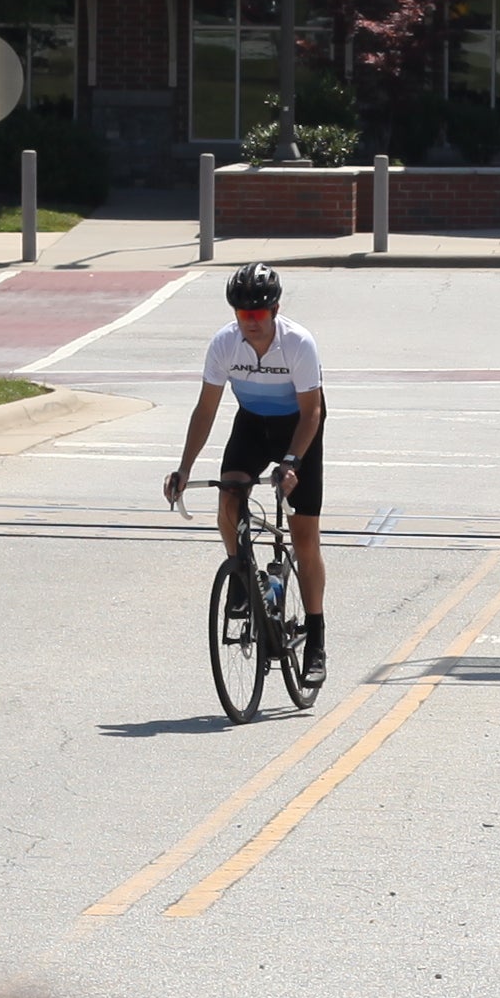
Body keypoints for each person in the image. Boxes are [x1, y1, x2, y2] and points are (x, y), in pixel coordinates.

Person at [164, 264, 329, 685]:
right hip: (253, 425)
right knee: (228, 498)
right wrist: (184, 468)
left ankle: (316, 640)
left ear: (274, 310)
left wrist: (291, 462)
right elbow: (206, 409)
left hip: (299, 428)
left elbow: (312, 411)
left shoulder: (298, 343)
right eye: (242, 315)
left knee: (305, 538)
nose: (250, 323)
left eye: (257, 315)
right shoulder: (224, 345)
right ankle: (241, 574)